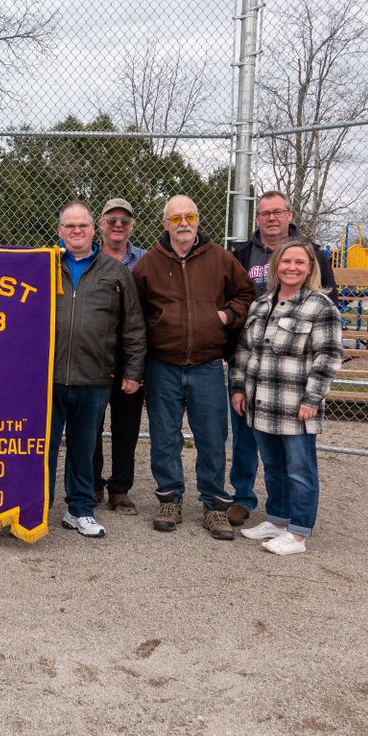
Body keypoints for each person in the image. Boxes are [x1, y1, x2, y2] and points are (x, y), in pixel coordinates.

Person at [132, 195, 254, 540]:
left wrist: (226, 316)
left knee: (212, 437)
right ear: (164, 222)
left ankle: (213, 505)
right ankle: (170, 499)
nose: (183, 223)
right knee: (164, 437)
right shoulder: (148, 264)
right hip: (162, 365)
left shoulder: (220, 259)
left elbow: (245, 294)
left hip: (206, 364)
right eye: (176, 218)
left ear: (198, 220)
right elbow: (135, 311)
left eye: (190, 216)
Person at [226, 191, 339, 528]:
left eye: (278, 212)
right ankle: (258, 508)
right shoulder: (242, 260)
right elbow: (241, 335)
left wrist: (313, 396)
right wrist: (238, 383)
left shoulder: (318, 283)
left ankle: (298, 526)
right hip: (255, 379)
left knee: (298, 462)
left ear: (290, 214)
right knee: (258, 449)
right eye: (264, 213)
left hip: (293, 383)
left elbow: (328, 349)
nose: (271, 218)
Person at [50, 202, 146, 538]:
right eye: (70, 226)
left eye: (83, 225)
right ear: (60, 230)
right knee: (42, 446)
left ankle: (79, 509)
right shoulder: (46, 266)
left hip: (93, 376)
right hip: (47, 378)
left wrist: (134, 370)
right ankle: (36, 506)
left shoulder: (115, 271)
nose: (77, 231)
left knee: (83, 446)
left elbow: (133, 325)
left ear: (94, 229)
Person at [91, 197, 147, 515]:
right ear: (100, 224)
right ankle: (93, 483)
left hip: (129, 355)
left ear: (132, 226)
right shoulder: (87, 257)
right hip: (95, 356)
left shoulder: (146, 261)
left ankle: (121, 489)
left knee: (126, 427)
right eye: (111, 219)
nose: (118, 224)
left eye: (124, 220)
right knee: (91, 425)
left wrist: (137, 366)